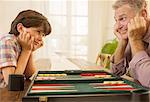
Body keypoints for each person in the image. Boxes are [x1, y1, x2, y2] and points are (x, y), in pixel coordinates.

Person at [0, 10, 52, 88]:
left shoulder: (22, 44)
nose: (41, 38)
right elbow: (13, 83)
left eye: (43, 35)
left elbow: (29, 74)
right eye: (38, 32)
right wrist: (26, 50)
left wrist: (29, 50)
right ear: (20, 28)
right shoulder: (7, 42)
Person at [111, 0, 150, 88]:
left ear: (143, 15)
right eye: (116, 20)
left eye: (122, 18)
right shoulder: (131, 35)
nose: (117, 27)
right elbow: (116, 73)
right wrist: (122, 41)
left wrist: (136, 41)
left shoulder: (134, 36)